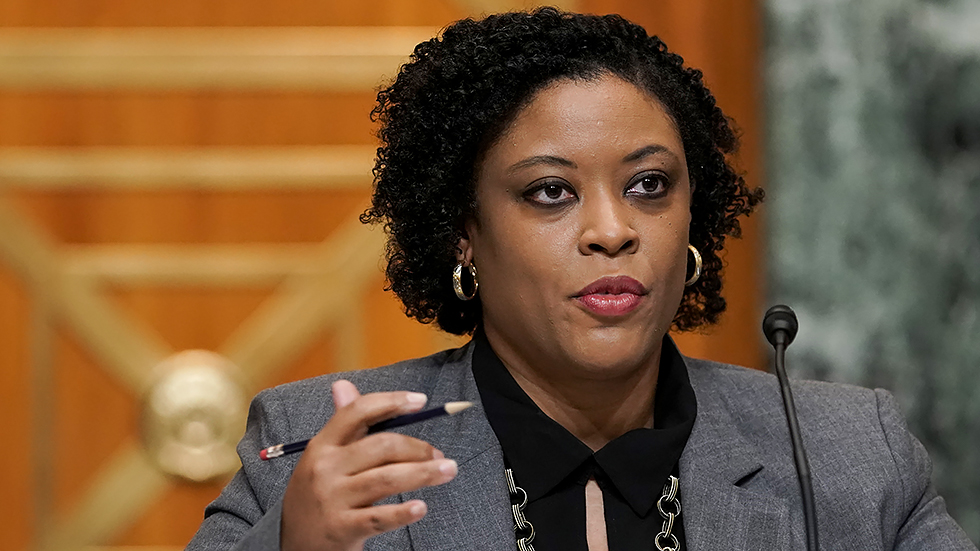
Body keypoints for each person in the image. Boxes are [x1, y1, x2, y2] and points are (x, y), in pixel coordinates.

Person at [187, 8, 976, 551]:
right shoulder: (313, 455)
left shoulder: (847, 454)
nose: (613, 229)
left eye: (649, 185)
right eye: (551, 192)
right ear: (466, 232)